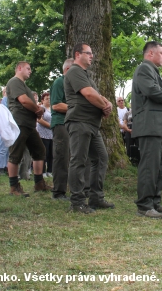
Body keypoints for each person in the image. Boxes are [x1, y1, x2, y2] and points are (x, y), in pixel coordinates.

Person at [64, 43, 114, 213]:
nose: (92, 56)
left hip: (92, 124)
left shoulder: (86, 74)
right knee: (78, 160)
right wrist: (104, 107)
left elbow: (97, 94)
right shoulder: (74, 71)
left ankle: (95, 198)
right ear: (78, 54)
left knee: (101, 157)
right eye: (89, 53)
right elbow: (89, 94)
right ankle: (77, 202)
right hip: (80, 121)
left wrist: (107, 103)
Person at [131, 41, 162, 219]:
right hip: (150, 126)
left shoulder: (154, 72)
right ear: (150, 53)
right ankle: (144, 205)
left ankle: (155, 201)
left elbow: (159, 93)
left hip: (160, 127)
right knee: (150, 166)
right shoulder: (144, 69)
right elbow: (152, 91)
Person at [6, 61, 50, 196]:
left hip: (29, 124)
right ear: (19, 68)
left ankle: (39, 183)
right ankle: (14, 187)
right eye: (28, 68)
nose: (30, 71)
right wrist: (37, 109)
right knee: (15, 154)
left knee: (39, 151)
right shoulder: (14, 82)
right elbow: (24, 100)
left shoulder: (23, 84)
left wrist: (37, 110)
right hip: (19, 123)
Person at [50, 58, 73, 200]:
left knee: (70, 157)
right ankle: (58, 191)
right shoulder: (60, 82)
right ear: (68, 70)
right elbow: (56, 105)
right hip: (60, 123)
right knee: (61, 156)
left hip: (71, 123)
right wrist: (77, 108)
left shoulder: (72, 83)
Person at [37, 92, 53, 178]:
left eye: (50, 99)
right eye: (47, 99)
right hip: (43, 134)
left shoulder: (52, 108)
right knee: (44, 153)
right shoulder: (41, 108)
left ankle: (50, 170)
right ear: (42, 100)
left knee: (52, 153)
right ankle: (42, 171)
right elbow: (39, 120)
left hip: (52, 135)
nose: (49, 100)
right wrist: (51, 126)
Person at [0, 87, 9, 174]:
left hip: (8, 126)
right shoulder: (5, 100)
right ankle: (0, 167)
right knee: (3, 147)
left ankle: (5, 166)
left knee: (7, 148)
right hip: (5, 126)